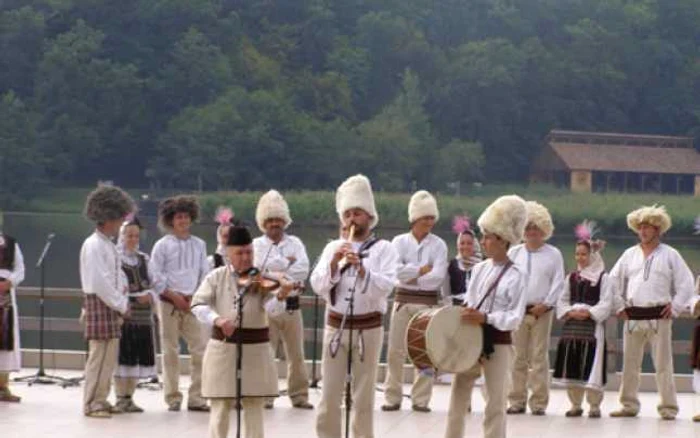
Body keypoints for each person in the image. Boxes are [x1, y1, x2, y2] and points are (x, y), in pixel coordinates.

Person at [311, 174, 398, 438]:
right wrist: (334, 264)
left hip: (368, 330)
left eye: (357, 213)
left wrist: (361, 269)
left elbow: (387, 287)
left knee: (363, 397)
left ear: (369, 217)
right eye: (347, 213)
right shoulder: (333, 247)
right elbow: (317, 284)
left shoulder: (385, 249)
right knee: (329, 395)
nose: (352, 219)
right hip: (335, 327)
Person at [192, 223, 294, 438]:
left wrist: (282, 295)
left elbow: (273, 311)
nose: (246, 258)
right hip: (223, 349)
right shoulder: (216, 277)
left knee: (254, 407)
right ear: (229, 254)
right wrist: (217, 320)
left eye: (249, 252)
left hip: (255, 351)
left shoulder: (261, 279)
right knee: (220, 408)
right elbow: (198, 305)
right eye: (240, 253)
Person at [444, 195, 528, 438]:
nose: (483, 242)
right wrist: (467, 313)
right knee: (458, 397)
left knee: (495, 403)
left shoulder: (517, 275)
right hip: (471, 338)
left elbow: (514, 317)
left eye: (488, 237)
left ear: (503, 240)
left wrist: (487, 318)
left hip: (499, 343)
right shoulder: (479, 269)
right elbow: (469, 301)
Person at [609, 205, 695, 420]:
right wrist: (619, 306)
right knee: (629, 364)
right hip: (633, 315)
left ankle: (668, 407)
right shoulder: (629, 254)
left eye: (648, 227)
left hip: (660, 316)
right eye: (641, 227)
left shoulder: (670, 255)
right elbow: (612, 281)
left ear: (658, 230)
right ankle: (628, 405)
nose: (643, 231)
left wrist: (675, 307)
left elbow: (686, 283)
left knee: (663, 366)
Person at [383, 190, 448, 413]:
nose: (429, 222)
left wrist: (410, 276)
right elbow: (393, 272)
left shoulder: (439, 245)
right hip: (401, 302)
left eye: (432, 218)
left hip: (427, 305)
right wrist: (421, 270)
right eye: (425, 218)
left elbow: (437, 278)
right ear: (415, 218)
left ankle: (421, 399)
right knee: (395, 351)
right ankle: (392, 397)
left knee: (425, 351)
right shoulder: (398, 242)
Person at [150, 195, 211, 412]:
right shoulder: (162, 245)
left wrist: (194, 297)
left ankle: (197, 397)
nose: (183, 221)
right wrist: (174, 296)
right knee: (170, 351)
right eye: (178, 217)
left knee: (200, 349)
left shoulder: (200, 245)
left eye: (186, 216)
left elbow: (205, 273)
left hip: (193, 303)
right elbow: (155, 276)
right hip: (168, 303)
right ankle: (173, 397)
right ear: (171, 220)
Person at [253, 190, 313, 410]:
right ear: (263, 222)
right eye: (270, 220)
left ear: (285, 220)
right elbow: (258, 272)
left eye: (278, 219)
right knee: (266, 352)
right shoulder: (256, 245)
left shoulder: (295, 242)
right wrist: (285, 264)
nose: (275, 224)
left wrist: (275, 270)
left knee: (297, 354)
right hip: (267, 306)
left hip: (291, 307)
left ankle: (299, 395)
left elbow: (302, 270)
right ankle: (266, 395)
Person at [79, 185, 134, 418]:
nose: (121, 223)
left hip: (111, 303)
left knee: (109, 357)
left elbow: (117, 275)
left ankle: (102, 397)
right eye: (119, 219)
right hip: (101, 302)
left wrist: (123, 296)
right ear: (108, 218)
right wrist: (121, 304)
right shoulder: (93, 245)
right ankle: (92, 402)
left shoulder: (108, 245)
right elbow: (99, 282)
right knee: (98, 357)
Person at [507, 201, 565, 415]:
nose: (532, 232)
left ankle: (539, 402)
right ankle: (516, 400)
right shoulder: (514, 253)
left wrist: (547, 304)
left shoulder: (554, 254)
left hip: (542, 312)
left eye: (536, 228)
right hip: (518, 313)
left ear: (544, 229)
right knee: (517, 357)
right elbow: (507, 281)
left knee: (539, 358)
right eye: (528, 227)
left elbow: (558, 282)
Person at [552, 220, 613, 418]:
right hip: (572, 328)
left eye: (584, 254)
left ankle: (594, 405)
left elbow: (606, 301)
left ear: (592, 255)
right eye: (577, 254)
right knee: (573, 362)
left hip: (592, 329)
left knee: (592, 363)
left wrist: (589, 313)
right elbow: (562, 300)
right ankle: (575, 404)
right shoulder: (571, 277)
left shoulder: (603, 278)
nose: (580, 258)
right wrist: (570, 312)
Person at [113, 216, 158, 413]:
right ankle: (120, 397)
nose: (133, 239)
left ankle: (129, 397)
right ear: (121, 236)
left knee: (137, 357)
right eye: (129, 235)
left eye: (136, 235)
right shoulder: (115, 259)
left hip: (143, 317)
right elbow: (115, 287)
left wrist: (150, 295)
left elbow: (156, 283)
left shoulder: (144, 259)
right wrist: (132, 298)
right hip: (126, 316)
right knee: (124, 356)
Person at [0, 212, 26, 402]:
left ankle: (3, 387)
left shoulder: (11, 243)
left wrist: (9, 283)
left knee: (5, 341)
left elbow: (20, 269)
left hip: (6, 301)